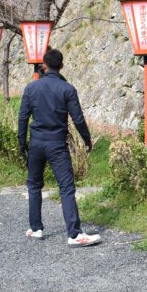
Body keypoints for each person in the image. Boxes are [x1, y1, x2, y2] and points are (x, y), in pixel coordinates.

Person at [18, 46, 101, 247]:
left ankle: (36, 228)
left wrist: (22, 143)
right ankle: (73, 234)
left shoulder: (31, 88)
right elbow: (78, 119)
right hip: (56, 143)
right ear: (62, 66)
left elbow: (22, 117)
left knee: (34, 185)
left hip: (36, 142)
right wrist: (87, 139)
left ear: (44, 65)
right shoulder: (67, 89)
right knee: (66, 187)